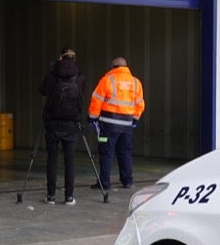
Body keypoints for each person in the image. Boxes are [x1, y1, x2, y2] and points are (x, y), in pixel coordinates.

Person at [88, 56, 145, 191]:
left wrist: (92, 118)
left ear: (113, 67)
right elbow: (140, 104)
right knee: (125, 152)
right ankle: (127, 181)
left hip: (108, 125)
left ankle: (104, 183)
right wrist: (135, 120)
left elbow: (96, 100)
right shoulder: (136, 82)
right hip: (126, 126)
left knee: (106, 153)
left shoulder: (107, 80)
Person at [38, 47, 86, 205]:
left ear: (61, 58)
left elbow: (42, 91)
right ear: (74, 59)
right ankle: (69, 197)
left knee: (52, 160)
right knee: (69, 161)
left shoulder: (52, 76)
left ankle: (51, 196)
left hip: (52, 124)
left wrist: (53, 69)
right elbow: (81, 93)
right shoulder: (79, 77)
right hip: (71, 124)